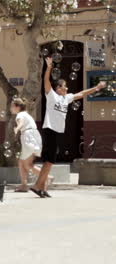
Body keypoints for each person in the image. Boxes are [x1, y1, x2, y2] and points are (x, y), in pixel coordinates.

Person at [31, 57, 106, 198]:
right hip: (50, 130)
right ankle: (37, 186)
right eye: (64, 86)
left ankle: (41, 187)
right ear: (58, 88)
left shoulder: (67, 98)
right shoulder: (51, 95)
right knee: (49, 161)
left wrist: (96, 88)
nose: (66, 88)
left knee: (50, 161)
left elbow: (82, 94)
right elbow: (46, 82)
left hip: (57, 131)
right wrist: (48, 67)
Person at [10, 98, 42, 192]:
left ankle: (47, 177)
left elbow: (21, 123)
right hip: (33, 136)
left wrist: (17, 129)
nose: (10, 108)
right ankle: (24, 185)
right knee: (21, 162)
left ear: (17, 107)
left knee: (27, 164)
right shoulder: (26, 114)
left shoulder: (20, 115)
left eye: (12, 106)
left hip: (28, 137)